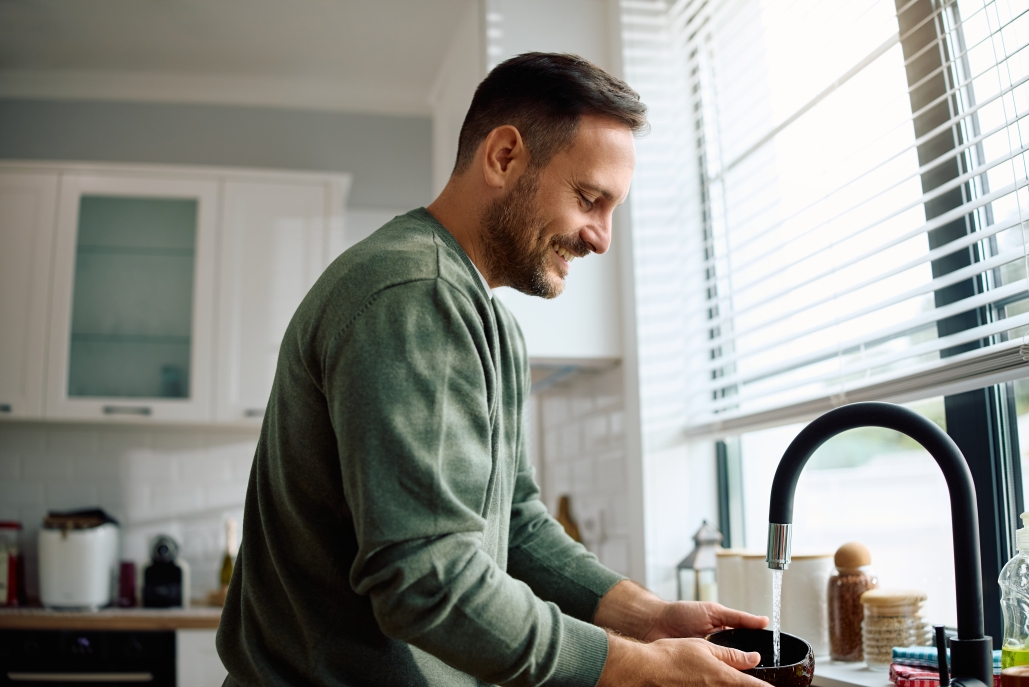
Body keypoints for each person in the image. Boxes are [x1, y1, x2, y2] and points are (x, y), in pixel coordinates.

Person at [216, 52, 769, 687]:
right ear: (504, 157)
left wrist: (650, 618)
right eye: (590, 199)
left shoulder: (485, 319)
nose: (602, 238)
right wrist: (638, 668)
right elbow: (427, 581)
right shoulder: (414, 293)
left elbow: (517, 523)